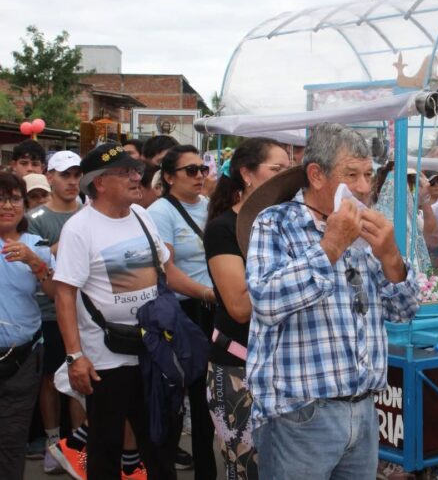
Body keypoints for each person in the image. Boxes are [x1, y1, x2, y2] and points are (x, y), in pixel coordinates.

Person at [246, 123, 419, 479]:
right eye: (351, 174)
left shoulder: (366, 231)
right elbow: (265, 301)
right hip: (300, 414)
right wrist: (330, 247)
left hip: (364, 410)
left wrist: (391, 258)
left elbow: (403, 311)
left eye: (368, 174)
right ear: (316, 175)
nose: (363, 187)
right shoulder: (275, 223)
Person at [52, 142, 177, 480]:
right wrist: (75, 356)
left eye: (135, 170)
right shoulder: (80, 228)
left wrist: (211, 293)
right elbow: (64, 294)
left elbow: (168, 270)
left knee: (158, 442)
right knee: (106, 448)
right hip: (106, 358)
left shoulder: (141, 215)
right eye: (125, 172)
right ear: (100, 183)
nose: (136, 177)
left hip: (151, 348)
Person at [204, 138, 289, 479]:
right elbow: (239, 307)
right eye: (276, 169)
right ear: (247, 174)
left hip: (285, 369)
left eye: (290, 170)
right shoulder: (223, 228)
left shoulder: (290, 224)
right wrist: (297, 282)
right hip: (238, 369)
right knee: (247, 469)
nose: (286, 178)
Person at [147, 145, 217, 477]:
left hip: (212, 310)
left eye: (203, 168)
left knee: (207, 401)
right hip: (182, 313)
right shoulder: (162, 211)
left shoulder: (208, 206)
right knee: (177, 399)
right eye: (191, 170)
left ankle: (207, 470)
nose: (200, 175)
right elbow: (167, 271)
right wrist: (206, 292)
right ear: (170, 177)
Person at [25, 150, 85, 474]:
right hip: (48, 310)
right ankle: (52, 442)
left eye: (77, 175)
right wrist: (62, 246)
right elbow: (32, 262)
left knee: (80, 378)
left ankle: (78, 444)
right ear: (50, 177)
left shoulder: (91, 210)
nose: (72, 182)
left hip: (85, 310)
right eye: (65, 175)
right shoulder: (35, 219)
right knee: (50, 379)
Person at [0, 173, 56, 480]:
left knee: (12, 437)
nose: (8, 205)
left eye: (15, 198)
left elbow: (56, 294)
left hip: (23, 355)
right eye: (0, 198)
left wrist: (36, 263)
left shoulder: (38, 244)